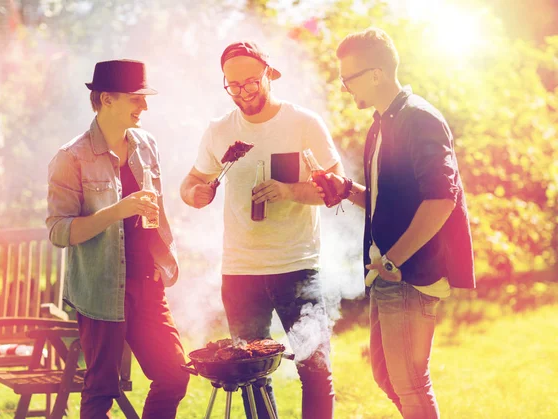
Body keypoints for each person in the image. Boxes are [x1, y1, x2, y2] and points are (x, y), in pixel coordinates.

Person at [320, 28, 476, 418]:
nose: (344, 88)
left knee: (409, 382)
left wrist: (393, 260)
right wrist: (344, 189)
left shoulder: (419, 118)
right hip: (389, 273)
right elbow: (384, 202)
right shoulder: (382, 123)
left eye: (348, 78)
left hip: (409, 273)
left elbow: (441, 198)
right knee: (388, 376)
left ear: (376, 74)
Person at [180, 41, 341, 419]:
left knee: (314, 369)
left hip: (297, 265)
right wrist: (195, 193)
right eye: (233, 86)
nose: (243, 93)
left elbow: (336, 188)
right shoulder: (219, 131)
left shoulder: (303, 124)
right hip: (240, 272)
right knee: (251, 374)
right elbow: (190, 183)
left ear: (270, 74)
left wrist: (290, 191)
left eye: (251, 82)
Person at [46, 59, 189, 419]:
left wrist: (162, 253)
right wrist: (115, 211)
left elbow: (155, 207)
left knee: (174, 374)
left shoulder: (147, 145)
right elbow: (59, 231)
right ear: (106, 99)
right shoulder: (70, 158)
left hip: (148, 286)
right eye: (135, 98)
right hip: (100, 290)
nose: (144, 107)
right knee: (101, 392)